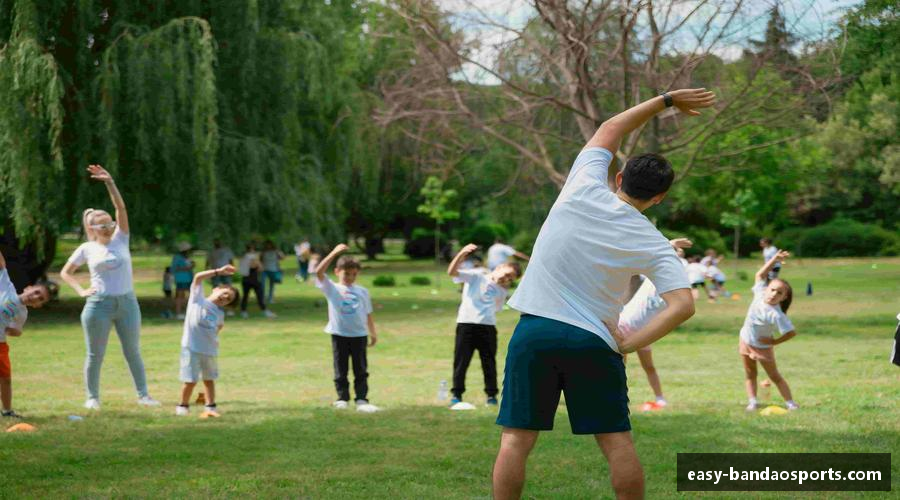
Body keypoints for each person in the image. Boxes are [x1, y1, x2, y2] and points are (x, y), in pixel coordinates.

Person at [493, 89, 713, 500]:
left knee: (515, 441)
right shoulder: (653, 242)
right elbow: (683, 305)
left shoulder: (582, 187)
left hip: (534, 333)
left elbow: (610, 128)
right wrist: (629, 341)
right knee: (616, 442)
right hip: (594, 341)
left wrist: (665, 101)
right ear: (659, 197)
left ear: (618, 179)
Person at [60, 164, 161, 410]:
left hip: (127, 303)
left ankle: (144, 395)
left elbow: (120, 208)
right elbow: (66, 272)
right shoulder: (87, 248)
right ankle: (92, 398)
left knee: (132, 351)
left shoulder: (121, 239)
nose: (109, 226)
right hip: (99, 306)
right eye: (103, 224)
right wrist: (81, 291)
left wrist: (109, 182)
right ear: (92, 228)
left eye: (110, 223)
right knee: (95, 355)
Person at [617, 238, 694, 411]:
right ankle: (620, 399)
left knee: (648, 366)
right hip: (624, 326)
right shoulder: (652, 275)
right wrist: (670, 243)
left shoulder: (676, 290)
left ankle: (660, 398)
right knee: (618, 367)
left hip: (645, 332)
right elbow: (649, 251)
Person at [446, 243, 521, 408]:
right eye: (507, 274)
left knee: (488, 362)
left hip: (487, 327)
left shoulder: (502, 291)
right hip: (466, 324)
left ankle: (491, 395)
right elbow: (452, 272)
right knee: (461, 361)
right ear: (501, 266)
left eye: (511, 279)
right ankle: (457, 394)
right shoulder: (477, 275)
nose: (507, 279)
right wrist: (462, 254)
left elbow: (496, 308)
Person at [315, 244, 379, 413]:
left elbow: (368, 313)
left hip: (359, 335)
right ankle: (342, 398)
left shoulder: (363, 291)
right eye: (346, 274)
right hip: (339, 334)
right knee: (340, 368)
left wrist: (373, 332)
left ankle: (362, 399)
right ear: (337, 272)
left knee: (361, 369)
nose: (350, 277)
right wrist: (334, 253)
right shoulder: (332, 288)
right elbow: (319, 272)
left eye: (354, 274)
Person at [175, 264, 239, 417]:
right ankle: (183, 405)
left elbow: (219, 327)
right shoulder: (198, 299)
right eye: (225, 293)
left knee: (209, 379)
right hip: (191, 348)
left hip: (209, 350)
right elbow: (197, 277)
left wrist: (214, 338)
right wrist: (218, 271)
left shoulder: (219, 313)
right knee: (190, 380)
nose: (225, 298)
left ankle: (210, 406)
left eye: (228, 299)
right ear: (216, 289)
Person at [740, 249, 798, 411]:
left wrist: (773, 341)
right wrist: (774, 259)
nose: (774, 294)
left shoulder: (776, 314)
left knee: (774, 376)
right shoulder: (759, 293)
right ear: (767, 289)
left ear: (783, 298)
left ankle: (790, 403)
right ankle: (752, 402)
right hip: (746, 339)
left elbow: (791, 332)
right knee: (750, 373)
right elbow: (759, 275)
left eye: (779, 293)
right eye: (772, 290)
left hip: (763, 346)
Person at [0, 249, 50, 418]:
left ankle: (7, 411)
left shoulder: (22, 313)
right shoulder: (7, 287)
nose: (35, 297)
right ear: (28, 288)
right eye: (36, 292)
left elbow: (18, 331)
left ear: (37, 306)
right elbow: (2, 264)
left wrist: (10, 330)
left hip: (0, 344)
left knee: (5, 378)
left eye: (39, 299)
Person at [238, 243, 275, 319]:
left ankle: (244, 311)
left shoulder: (243, 257)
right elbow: (259, 267)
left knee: (246, 296)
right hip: (253, 280)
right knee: (259, 295)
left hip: (246, 279)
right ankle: (264, 310)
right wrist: (257, 261)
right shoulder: (251, 257)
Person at [171, 243, 195, 319]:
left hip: (189, 278)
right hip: (181, 278)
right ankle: (178, 312)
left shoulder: (187, 258)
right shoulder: (177, 257)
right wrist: (187, 268)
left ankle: (188, 311)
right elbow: (174, 268)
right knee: (179, 295)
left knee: (188, 295)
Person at [261, 240, 284, 304]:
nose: (268, 246)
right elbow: (261, 259)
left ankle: (270, 298)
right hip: (264, 270)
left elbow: (282, 257)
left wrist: (279, 251)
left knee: (272, 285)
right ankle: (262, 298)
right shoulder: (263, 252)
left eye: (269, 244)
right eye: (267, 245)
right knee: (262, 284)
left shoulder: (275, 251)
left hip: (273, 269)